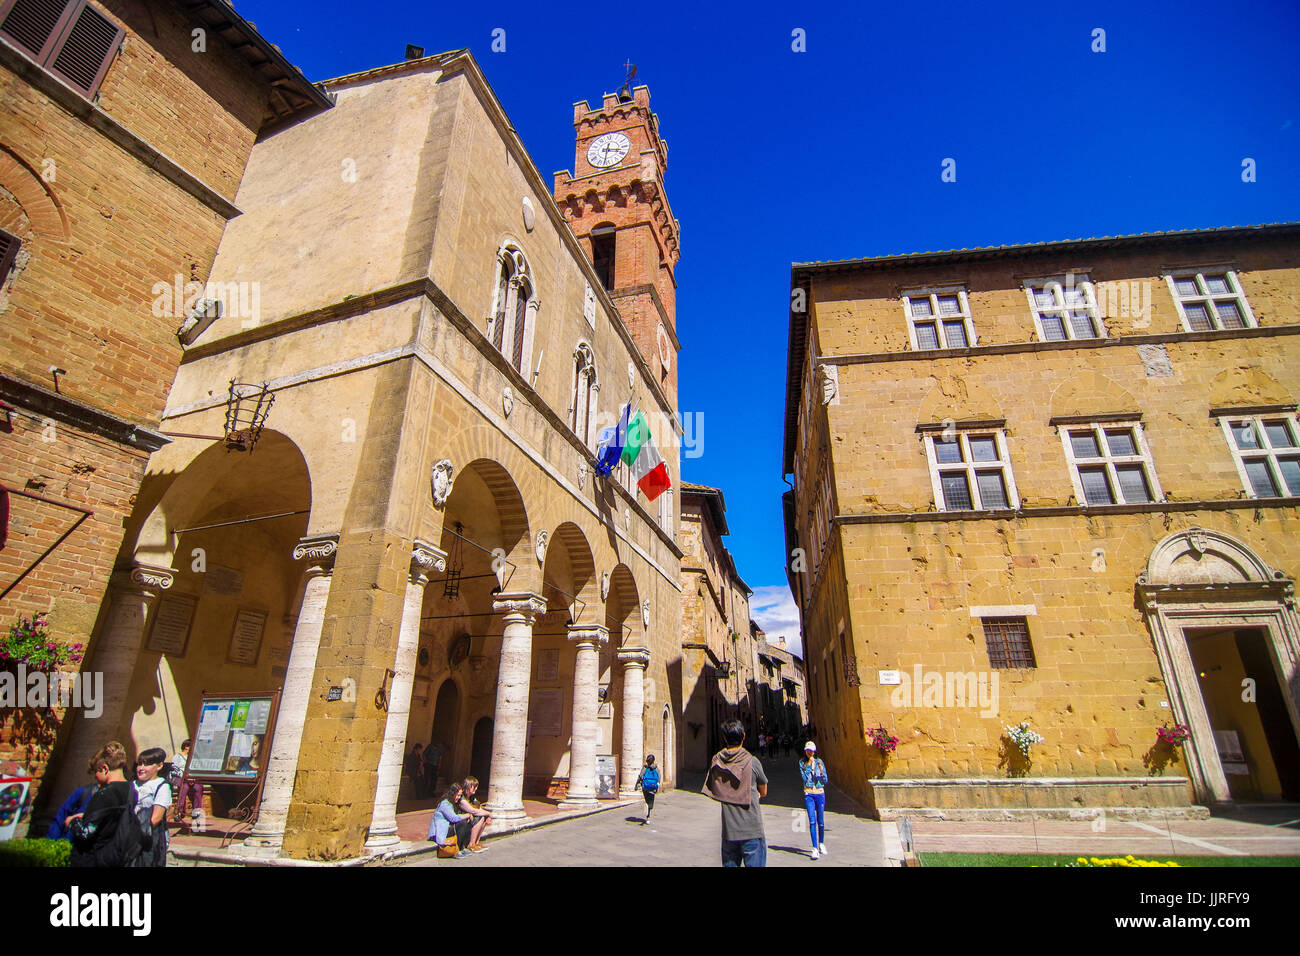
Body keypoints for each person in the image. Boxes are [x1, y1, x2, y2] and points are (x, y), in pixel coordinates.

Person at [704, 719, 767, 867]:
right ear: (744, 736)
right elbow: (763, 791)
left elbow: (712, 787)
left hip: (729, 833)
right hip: (752, 830)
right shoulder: (752, 762)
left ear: (724, 738)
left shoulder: (716, 762)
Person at [66, 742, 133, 867]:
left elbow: (85, 833)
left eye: (96, 771)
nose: (95, 777)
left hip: (92, 858)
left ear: (104, 768)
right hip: (115, 856)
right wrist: (87, 816)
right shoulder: (131, 789)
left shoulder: (105, 793)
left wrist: (72, 821)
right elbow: (110, 819)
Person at [132, 747, 173, 867]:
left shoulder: (162, 786)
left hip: (150, 836)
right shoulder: (132, 784)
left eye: (147, 764)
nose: (141, 768)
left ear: (159, 766)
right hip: (131, 835)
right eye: (139, 764)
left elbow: (155, 818)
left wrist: (136, 833)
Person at [427, 782, 475, 858]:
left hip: (447, 827)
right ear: (453, 793)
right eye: (458, 795)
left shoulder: (452, 803)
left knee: (466, 822)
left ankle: (461, 847)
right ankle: (457, 850)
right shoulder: (445, 804)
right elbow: (453, 818)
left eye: (460, 795)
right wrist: (468, 815)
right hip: (441, 830)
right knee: (462, 823)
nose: (459, 797)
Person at [799, 741, 829, 860]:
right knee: (812, 821)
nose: (809, 753)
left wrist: (820, 770)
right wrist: (809, 766)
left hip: (820, 793)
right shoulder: (802, 763)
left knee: (820, 821)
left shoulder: (820, 762)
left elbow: (825, 780)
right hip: (809, 794)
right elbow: (805, 780)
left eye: (811, 751)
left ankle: (821, 843)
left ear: (814, 751)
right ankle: (814, 848)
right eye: (807, 750)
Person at [169, 739, 203, 826]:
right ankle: (179, 811)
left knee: (198, 788)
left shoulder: (193, 757)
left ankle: (197, 811)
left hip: (192, 778)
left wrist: (193, 777)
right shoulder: (177, 757)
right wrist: (185, 777)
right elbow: (174, 770)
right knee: (184, 788)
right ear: (186, 747)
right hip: (181, 778)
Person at [456, 776, 492, 851]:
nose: (476, 789)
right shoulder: (461, 798)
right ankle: (471, 844)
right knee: (480, 817)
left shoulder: (472, 798)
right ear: (468, 786)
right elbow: (473, 811)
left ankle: (476, 842)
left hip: (469, 820)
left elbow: (479, 808)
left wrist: (488, 815)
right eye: (474, 787)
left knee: (484, 817)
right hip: (460, 822)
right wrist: (488, 813)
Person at [634, 754, 660, 825]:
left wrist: (637, 785)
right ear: (653, 761)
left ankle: (647, 806)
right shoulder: (656, 768)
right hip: (653, 787)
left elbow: (640, 776)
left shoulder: (645, 768)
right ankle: (648, 815)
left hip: (645, 786)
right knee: (651, 800)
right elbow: (659, 778)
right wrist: (657, 785)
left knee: (646, 799)